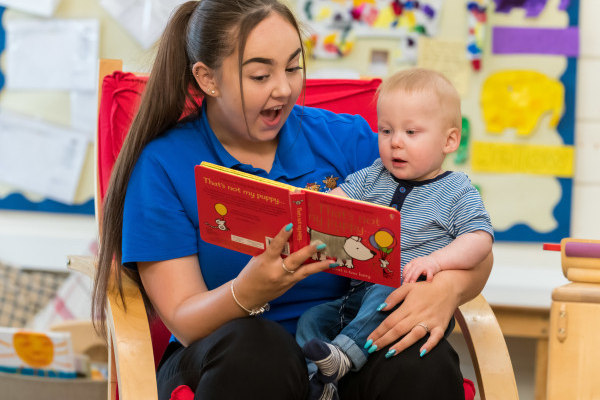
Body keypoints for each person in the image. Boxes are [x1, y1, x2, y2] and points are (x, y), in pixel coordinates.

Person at [91, 2, 493, 399]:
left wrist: (448, 290)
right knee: (258, 351)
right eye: (261, 75)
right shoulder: (163, 165)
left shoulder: (350, 140)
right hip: (226, 355)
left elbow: (470, 239)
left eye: (293, 67)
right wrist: (246, 292)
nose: (283, 89)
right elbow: (184, 320)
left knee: (419, 359)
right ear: (207, 78)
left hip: (346, 347)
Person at [295, 68, 494, 400]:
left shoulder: (458, 190)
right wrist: (305, 209)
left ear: (449, 140)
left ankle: (343, 357)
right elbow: (334, 202)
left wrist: (436, 261)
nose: (395, 141)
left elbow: (479, 238)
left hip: (412, 299)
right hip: (357, 297)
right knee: (312, 320)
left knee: (389, 287)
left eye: (411, 132)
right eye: (385, 130)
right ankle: (322, 380)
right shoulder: (374, 175)